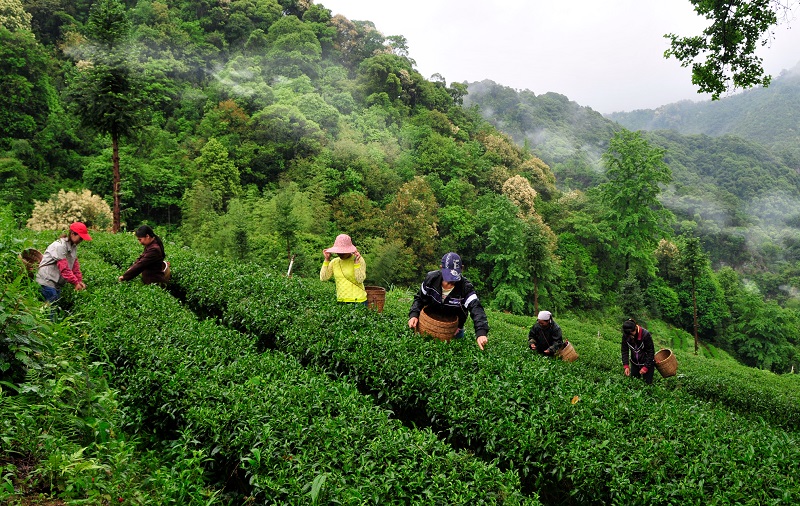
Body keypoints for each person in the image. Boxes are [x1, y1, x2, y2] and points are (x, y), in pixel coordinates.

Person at [408, 252, 489, 350]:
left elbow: (476, 309)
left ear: (462, 269)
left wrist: (481, 332)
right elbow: (419, 298)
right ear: (441, 268)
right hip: (429, 324)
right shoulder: (431, 279)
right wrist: (414, 315)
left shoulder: (465, 288)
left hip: (454, 330)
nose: (450, 281)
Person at [36, 222, 92, 311]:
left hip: (56, 282)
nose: (81, 240)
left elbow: (75, 266)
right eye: (80, 238)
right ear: (72, 234)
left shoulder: (73, 247)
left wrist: (79, 281)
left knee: (51, 308)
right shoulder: (59, 246)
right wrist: (75, 283)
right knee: (50, 311)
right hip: (47, 280)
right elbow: (64, 268)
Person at [320, 234, 367, 304]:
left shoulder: (358, 260)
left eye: (343, 252)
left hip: (358, 301)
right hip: (341, 301)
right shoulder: (334, 262)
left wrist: (356, 263)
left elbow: (360, 279)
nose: (340, 254)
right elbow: (323, 278)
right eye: (339, 252)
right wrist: (327, 259)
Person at [621, 318, 655, 385]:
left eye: (632, 333)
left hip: (647, 363)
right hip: (635, 363)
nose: (632, 335)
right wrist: (626, 365)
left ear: (636, 328)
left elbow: (650, 352)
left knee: (647, 384)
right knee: (634, 383)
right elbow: (624, 350)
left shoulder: (645, 335)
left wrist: (646, 367)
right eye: (629, 335)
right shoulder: (626, 335)